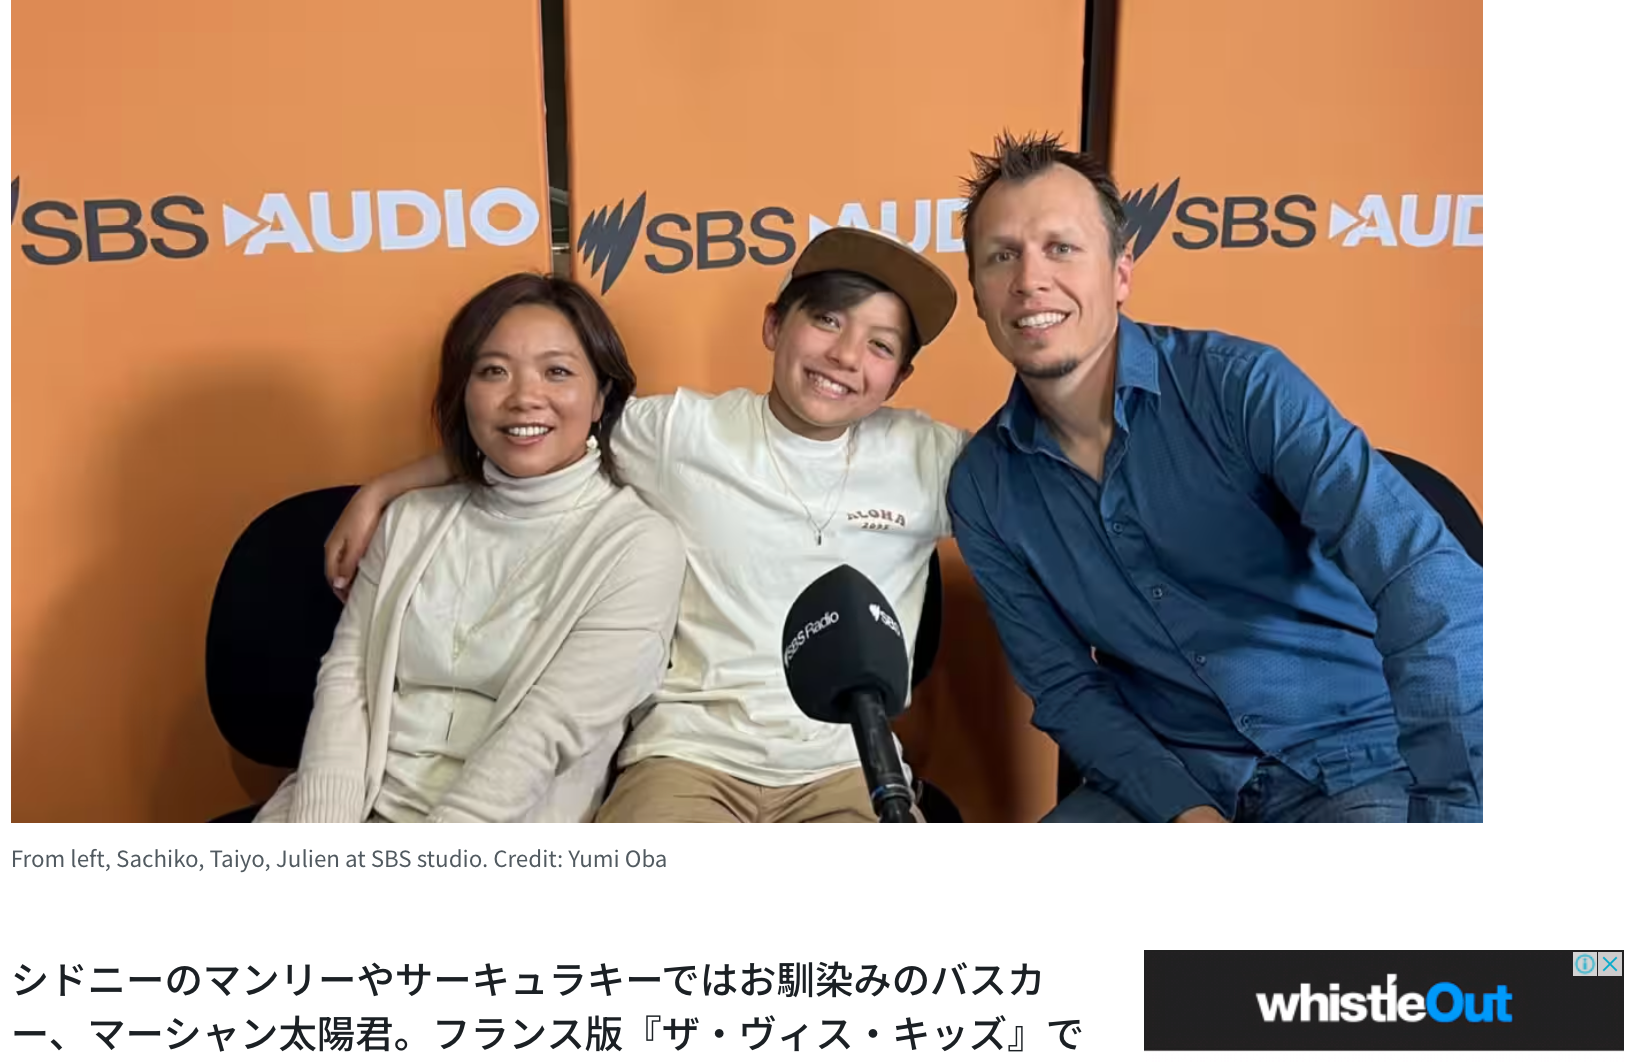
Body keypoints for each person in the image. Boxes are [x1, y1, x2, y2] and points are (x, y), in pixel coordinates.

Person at [324, 228, 966, 823]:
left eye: (880, 345)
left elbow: (1049, 483)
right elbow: (538, 428)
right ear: (774, 325)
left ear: (900, 377)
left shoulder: (930, 458)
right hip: (688, 755)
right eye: (826, 320)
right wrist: (387, 487)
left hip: (848, 762)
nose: (846, 355)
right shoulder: (677, 434)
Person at [948, 132, 1483, 823]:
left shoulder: (1241, 385)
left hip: (1357, 758)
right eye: (1001, 256)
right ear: (978, 294)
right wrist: (1181, 811)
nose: (1029, 280)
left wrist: (1453, 814)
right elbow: (1065, 688)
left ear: (1121, 274)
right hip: (1173, 777)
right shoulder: (983, 488)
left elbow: (1419, 570)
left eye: (1061, 248)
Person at [256, 273, 684, 823]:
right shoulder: (409, 520)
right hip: (345, 807)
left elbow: (544, 735)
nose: (525, 396)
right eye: (493, 371)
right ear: (464, 392)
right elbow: (348, 683)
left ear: (601, 397)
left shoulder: (638, 547)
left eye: (557, 372)